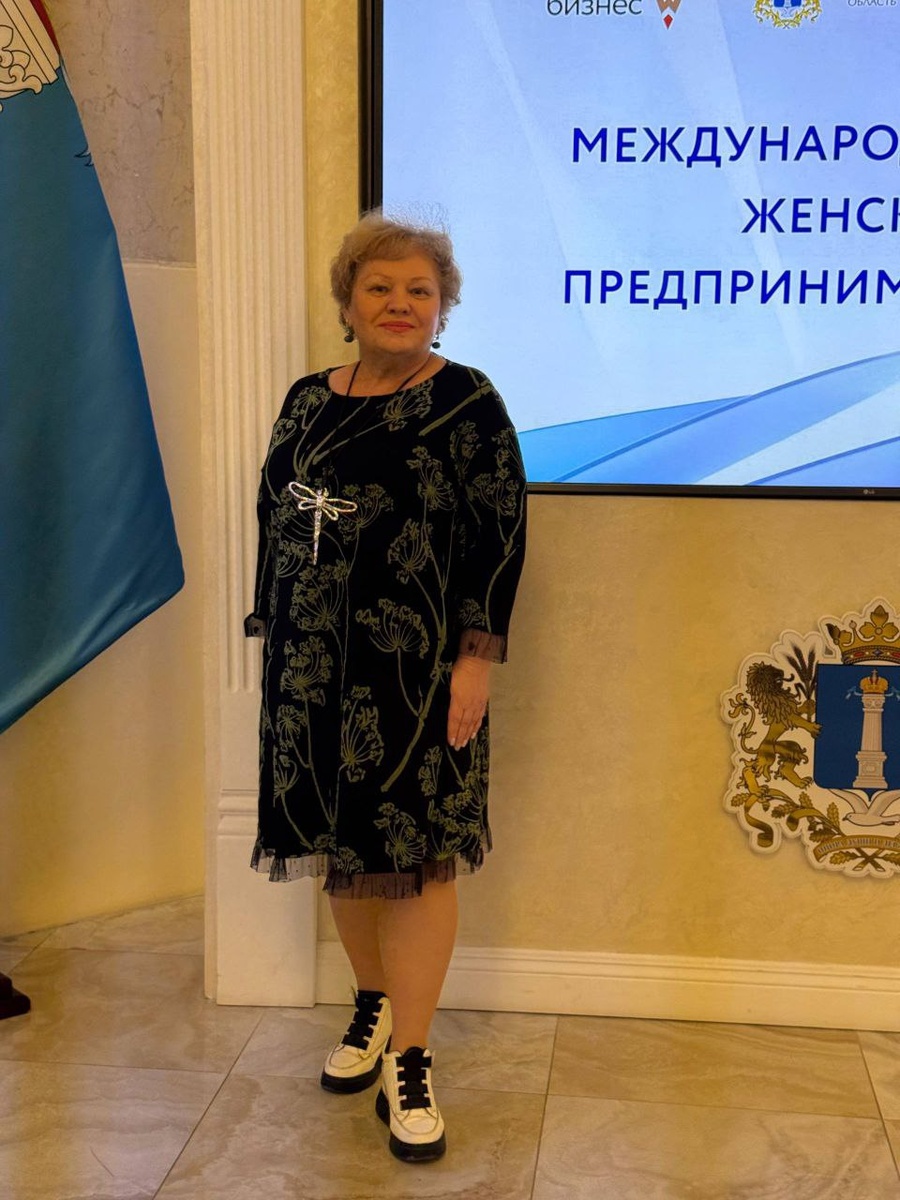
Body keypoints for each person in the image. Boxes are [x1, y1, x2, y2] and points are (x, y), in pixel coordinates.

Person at [245, 212, 527, 1163]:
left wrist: (475, 660)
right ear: (349, 301)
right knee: (342, 844)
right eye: (380, 287)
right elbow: (276, 515)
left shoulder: (469, 402)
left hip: (417, 672)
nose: (399, 303)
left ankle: (411, 1057)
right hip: (311, 667)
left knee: (418, 856)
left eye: (419, 290)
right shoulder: (306, 399)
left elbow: (498, 535)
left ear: (443, 306)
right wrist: (277, 634)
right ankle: (370, 1004)